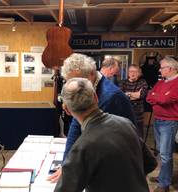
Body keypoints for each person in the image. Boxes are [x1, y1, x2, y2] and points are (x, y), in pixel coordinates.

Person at [48, 53, 136, 182]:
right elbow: (76, 124)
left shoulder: (110, 97)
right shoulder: (88, 88)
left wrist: (71, 167)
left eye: (75, 81)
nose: (73, 85)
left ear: (91, 74)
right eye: (69, 81)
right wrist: (66, 163)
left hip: (118, 167)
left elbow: (95, 140)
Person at [54, 77, 149, 192]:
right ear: (96, 97)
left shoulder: (82, 146)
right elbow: (149, 163)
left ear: (67, 110)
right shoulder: (126, 123)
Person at [146, 56, 178, 192]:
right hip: (158, 120)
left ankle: (164, 184)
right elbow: (149, 96)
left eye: (162, 67)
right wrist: (157, 96)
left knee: (165, 154)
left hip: (169, 122)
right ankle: (163, 176)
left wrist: (157, 96)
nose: (159, 69)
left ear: (170, 69)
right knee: (161, 152)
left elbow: (165, 100)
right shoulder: (161, 82)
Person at [120, 64, 148, 138]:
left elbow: (142, 95)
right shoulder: (123, 82)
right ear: (128, 73)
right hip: (125, 113)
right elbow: (121, 97)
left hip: (138, 115)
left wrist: (128, 94)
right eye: (131, 71)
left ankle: (139, 149)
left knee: (139, 137)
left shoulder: (142, 82)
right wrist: (135, 95)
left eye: (135, 71)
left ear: (139, 73)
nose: (132, 73)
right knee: (126, 136)